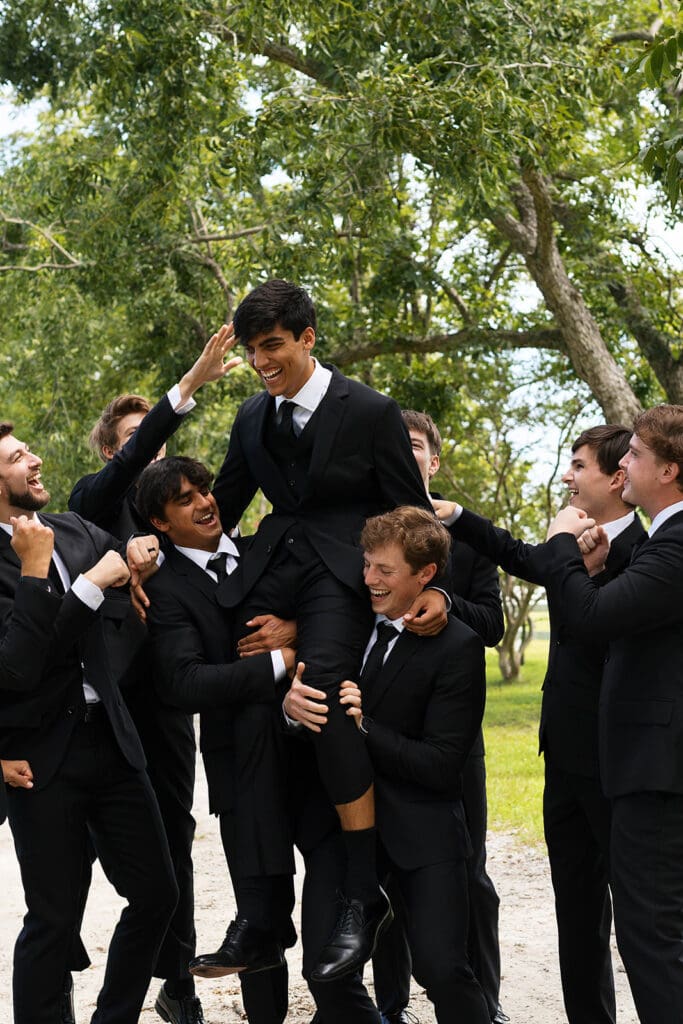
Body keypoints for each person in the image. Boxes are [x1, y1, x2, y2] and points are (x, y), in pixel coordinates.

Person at [212, 279, 448, 978]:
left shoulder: (370, 411)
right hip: (268, 575)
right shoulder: (251, 418)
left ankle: (356, 893)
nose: (261, 362)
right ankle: (259, 912)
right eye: (253, 350)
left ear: (308, 338)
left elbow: (418, 518)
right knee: (239, 703)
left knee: (322, 700)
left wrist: (439, 596)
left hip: (344, 586)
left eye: (273, 346)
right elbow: (220, 508)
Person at [136, 455, 379, 1024]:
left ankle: (348, 1008)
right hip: (241, 776)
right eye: (185, 498)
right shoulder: (161, 588)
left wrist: (299, 633)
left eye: (205, 488)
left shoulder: (262, 552)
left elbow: (328, 607)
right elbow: (183, 681)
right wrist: (282, 660)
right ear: (160, 523)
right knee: (259, 933)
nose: (205, 502)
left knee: (328, 916)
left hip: (312, 757)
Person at [434, 424, 644, 1024]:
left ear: (617, 476)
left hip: (621, 764)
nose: (567, 476)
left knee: (637, 915)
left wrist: (581, 563)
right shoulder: (571, 541)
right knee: (575, 911)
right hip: (565, 757)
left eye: (578, 466)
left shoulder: (647, 554)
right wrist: (458, 516)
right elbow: (525, 558)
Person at [68, 326, 239, 1024]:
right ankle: (60, 938)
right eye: (139, 443)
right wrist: (188, 388)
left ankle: (179, 983)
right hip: (97, 705)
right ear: (114, 453)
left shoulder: (183, 519)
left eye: (159, 444)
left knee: (175, 840)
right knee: (80, 836)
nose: (154, 454)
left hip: (165, 702)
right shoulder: (90, 501)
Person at [0, 421, 178, 1024]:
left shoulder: (74, 528)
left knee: (158, 894)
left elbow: (124, 562)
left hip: (113, 743)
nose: (36, 459)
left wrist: (135, 555)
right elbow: (17, 667)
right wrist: (77, 585)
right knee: (52, 921)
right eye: (19, 456)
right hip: (39, 759)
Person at [286, 506, 491, 1023]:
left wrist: (365, 727)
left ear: (426, 576)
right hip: (345, 837)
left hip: (424, 832)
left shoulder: (459, 647)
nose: (369, 580)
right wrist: (291, 707)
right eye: (367, 565)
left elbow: (443, 765)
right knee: (323, 971)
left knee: (442, 970)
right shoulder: (346, 625)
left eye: (385, 570)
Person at [539, 406, 683, 1024]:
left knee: (651, 936)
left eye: (637, 456)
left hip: (657, 773)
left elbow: (595, 618)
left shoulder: (673, 545)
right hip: (638, 767)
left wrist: (563, 551)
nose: (625, 462)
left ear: (670, 469)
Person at [370, 410, 506, 1024]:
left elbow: (495, 626)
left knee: (466, 874)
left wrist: (445, 598)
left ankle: (484, 997)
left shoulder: (471, 538)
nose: (406, 454)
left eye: (416, 446)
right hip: (378, 733)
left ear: (434, 459)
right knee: (383, 879)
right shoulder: (370, 540)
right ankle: (390, 1004)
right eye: (395, 447)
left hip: (448, 737)